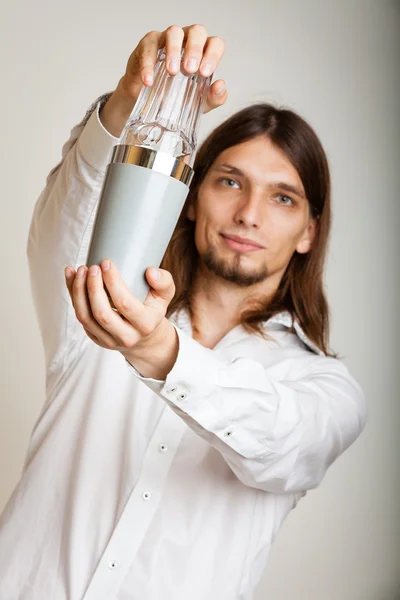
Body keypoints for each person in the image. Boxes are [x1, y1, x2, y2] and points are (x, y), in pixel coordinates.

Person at [0, 24, 367, 600]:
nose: (249, 214)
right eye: (229, 181)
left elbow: (279, 446)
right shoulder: (101, 304)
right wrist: (131, 99)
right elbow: (68, 214)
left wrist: (160, 355)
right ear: (192, 198)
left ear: (308, 231)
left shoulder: (324, 388)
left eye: (282, 197)